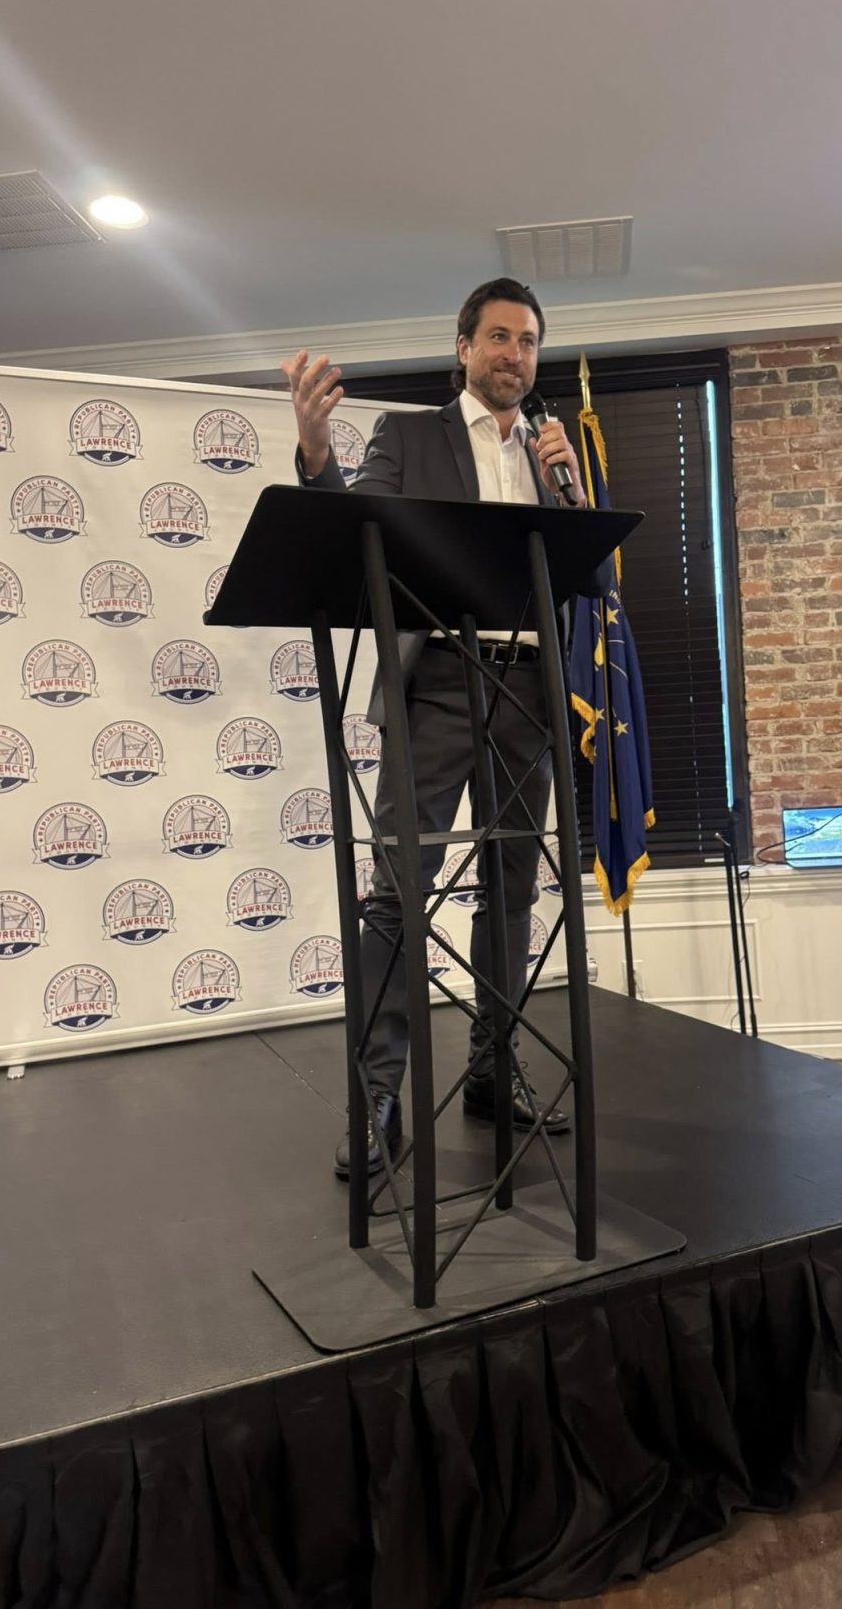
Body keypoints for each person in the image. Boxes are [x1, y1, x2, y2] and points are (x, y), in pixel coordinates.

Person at [283, 278, 590, 1178]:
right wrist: (314, 449)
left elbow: (591, 580)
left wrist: (572, 494)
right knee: (397, 894)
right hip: (441, 684)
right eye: (498, 337)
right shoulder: (410, 436)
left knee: (511, 890)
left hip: (529, 687)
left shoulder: (549, 452)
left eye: (527, 341)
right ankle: (378, 1098)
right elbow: (352, 527)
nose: (514, 355)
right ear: (463, 348)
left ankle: (493, 1067)